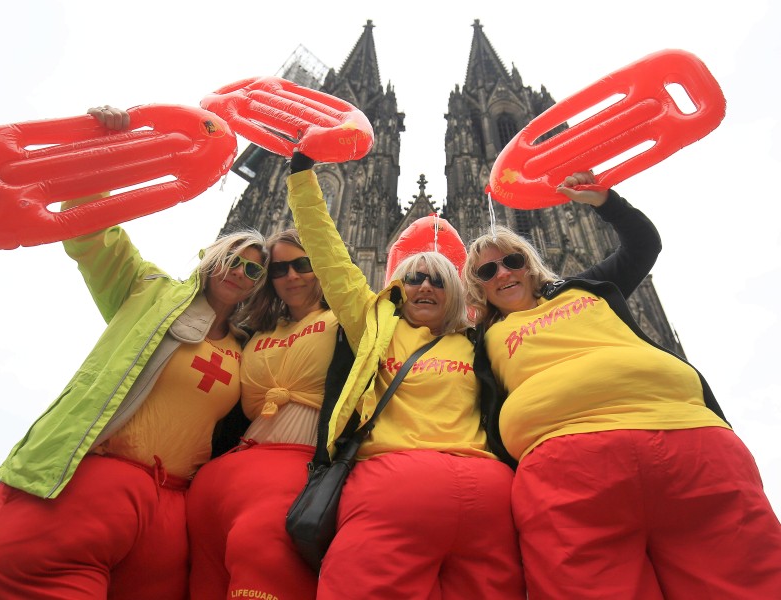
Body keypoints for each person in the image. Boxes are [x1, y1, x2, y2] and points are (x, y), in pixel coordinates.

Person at [0, 106, 267, 600]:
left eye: (254, 270)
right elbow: (92, 231)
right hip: (88, 485)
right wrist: (108, 144)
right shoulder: (147, 290)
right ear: (210, 257)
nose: (239, 272)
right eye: (231, 258)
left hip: (173, 510)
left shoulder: (251, 351)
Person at [463, 171, 781, 599]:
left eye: (513, 261)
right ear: (477, 287)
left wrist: (606, 201)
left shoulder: (589, 289)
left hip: (687, 443)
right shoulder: (481, 337)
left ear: (530, 263)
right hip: (569, 471)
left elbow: (643, 246)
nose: (503, 273)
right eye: (487, 270)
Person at [286, 152, 526, 600]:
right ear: (395, 287)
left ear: (458, 292)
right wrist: (301, 177)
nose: (425, 286)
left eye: (439, 279)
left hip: (485, 498)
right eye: (413, 278)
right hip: (391, 491)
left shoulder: (481, 341)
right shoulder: (375, 330)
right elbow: (330, 257)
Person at [187, 228, 341, 600]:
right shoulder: (251, 333)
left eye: (303, 264)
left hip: (293, 476)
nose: (291, 275)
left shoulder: (347, 321)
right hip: (222, 479)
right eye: (277, 269)